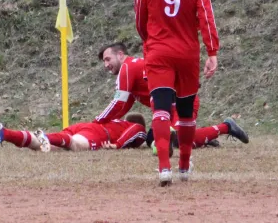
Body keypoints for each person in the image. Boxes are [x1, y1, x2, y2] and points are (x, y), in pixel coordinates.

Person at [135, 0, 220, 186]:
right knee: (185, 113)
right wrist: (212, 52)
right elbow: (206, 18)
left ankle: (163, 168)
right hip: (187, 54)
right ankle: (184, 166)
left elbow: (140, 16)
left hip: (159, 52)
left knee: (160, 108)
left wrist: (149, 39)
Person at [95, 42, 248, 148]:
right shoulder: (131, 69)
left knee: (177, 142)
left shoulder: (127, 67)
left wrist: (96, 123)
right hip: (167, 111)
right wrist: (108, 124)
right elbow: (124, 105)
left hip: (182, 103)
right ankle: (199, 137)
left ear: (120, 55)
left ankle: (226, 127)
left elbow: (118, 103)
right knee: (153, 140)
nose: (106, 65)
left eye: (108, 59)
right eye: (104, 61)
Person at [0, 113, 147, 152]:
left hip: (85, 126)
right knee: (75, 145)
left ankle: (6, 134)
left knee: (46, 146)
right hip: (99, 133)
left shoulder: (116, 121)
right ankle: (46, 137)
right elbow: (138, 130)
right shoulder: (131, 125)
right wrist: (117, 144)